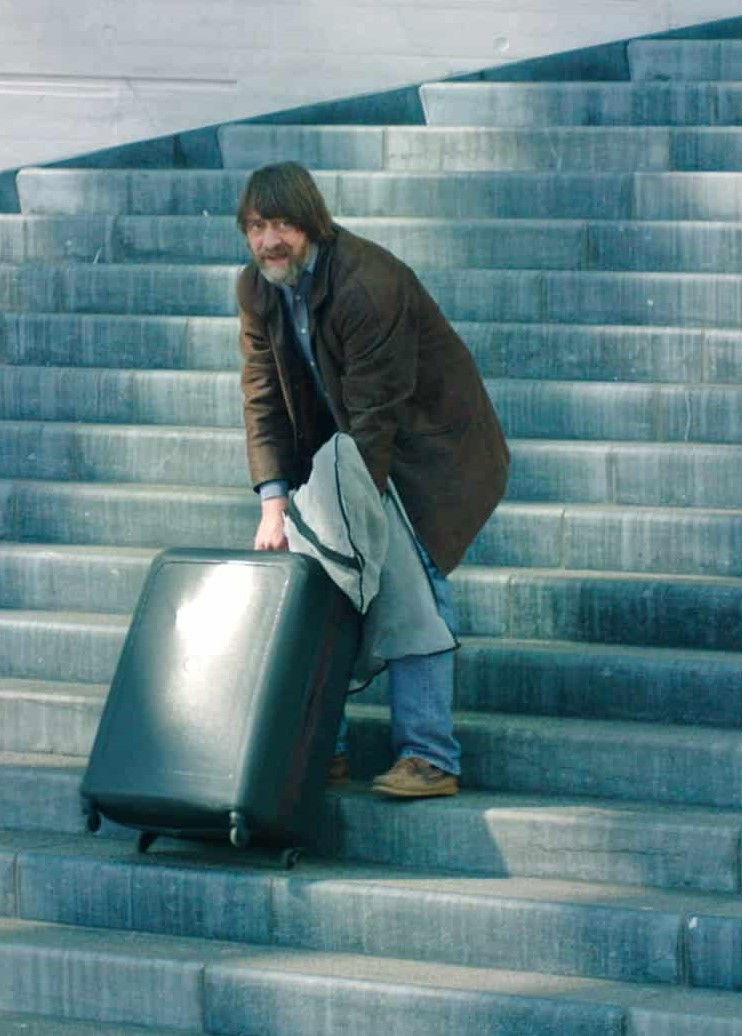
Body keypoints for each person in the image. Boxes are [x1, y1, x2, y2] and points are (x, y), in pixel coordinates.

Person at [235, 161, 510, 798]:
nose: (268, 240)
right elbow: (262, 398)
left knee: (409, 584)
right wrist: (274, 502)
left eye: (282, 224)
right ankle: (321, 750)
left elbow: (377, 414)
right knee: (318, 587)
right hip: (341, 451)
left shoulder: (367, 282)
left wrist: (348, 524)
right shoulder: (256, 288)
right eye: (255, 226)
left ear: (312, 223)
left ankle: (430, 757)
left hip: (424, 449)